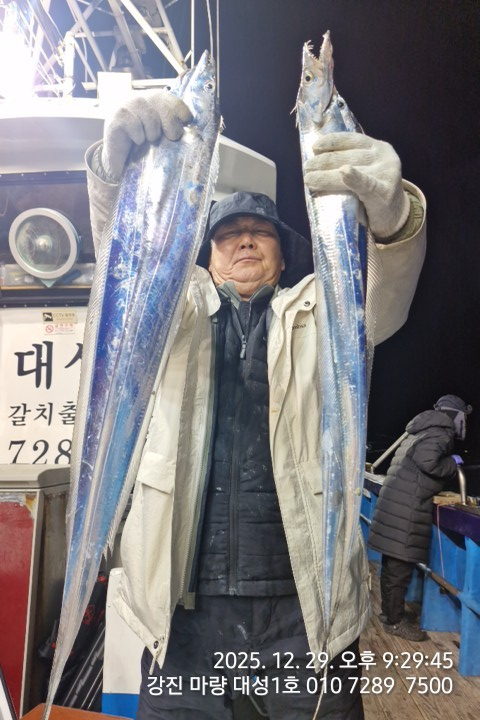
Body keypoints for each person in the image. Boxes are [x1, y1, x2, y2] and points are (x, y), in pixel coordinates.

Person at [85, 90, 426, 719]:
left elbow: (385, 299)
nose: (245, 241)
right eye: (228, 235)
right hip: (185, 619)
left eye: (259, 232)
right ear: (207, 256)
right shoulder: (171, 313)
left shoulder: (319, 311)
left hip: (303, 614)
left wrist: (395, 222)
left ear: (283, 253)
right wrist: (112, 182)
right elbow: (125, 267)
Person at [368, 394, 472, 642]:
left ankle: (388, 615)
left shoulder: (421, 428)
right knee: (399, 569)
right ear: (455, 416)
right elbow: (429, 463)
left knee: (392, 566)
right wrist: (452, 463)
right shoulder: (441, 432)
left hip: (394, 504)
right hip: (406, 509)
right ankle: (394, 623)